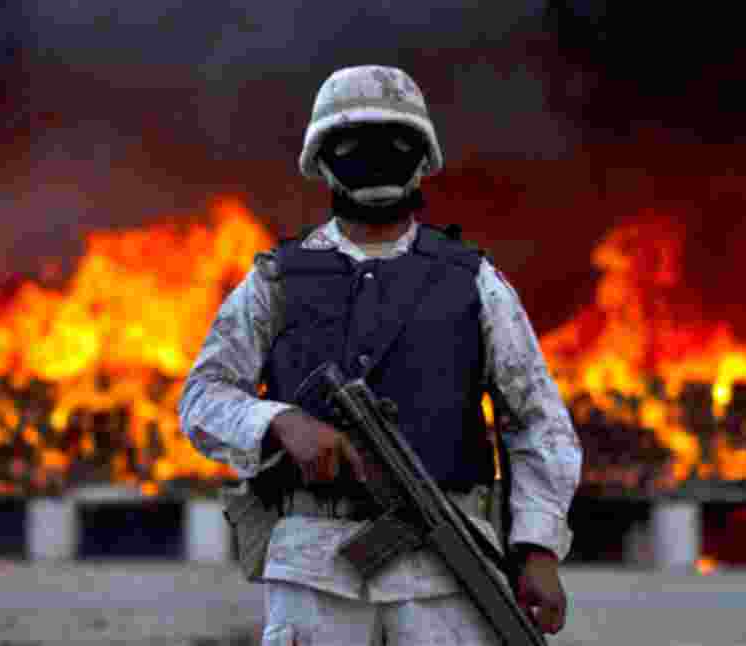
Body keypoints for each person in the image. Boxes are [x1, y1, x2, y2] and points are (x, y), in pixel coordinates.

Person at [179, 65, 582, 646]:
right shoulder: (276, 280)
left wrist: (538, 547)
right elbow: (202, 397)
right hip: (315, 573)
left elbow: (538, 420)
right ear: (322, 159)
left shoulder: (473, 281)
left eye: (394, 142)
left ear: (422, 156)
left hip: (446, 575)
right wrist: (280, 423)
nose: (373, 157)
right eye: (353, 142)